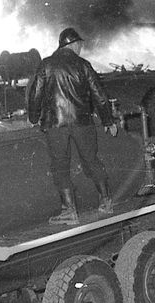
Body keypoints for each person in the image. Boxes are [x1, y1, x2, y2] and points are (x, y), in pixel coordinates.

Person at [26, 26, 118, 224]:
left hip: (55, 123)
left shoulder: (46, 65)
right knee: (91, 159)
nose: (80, 48)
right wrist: (108, 120)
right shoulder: (84, 65)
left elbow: (35, 94)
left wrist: (33, 118)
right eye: (79, 45)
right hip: (82, 122)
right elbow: (99, 95)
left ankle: (69, 211)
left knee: (60, 165)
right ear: (73, 44)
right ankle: (106, 201)